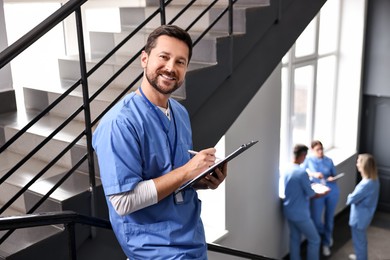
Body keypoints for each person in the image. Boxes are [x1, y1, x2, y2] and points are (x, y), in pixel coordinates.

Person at [92, 24, 228, 259]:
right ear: (144, 59)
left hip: (192, 240)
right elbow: (123, 202)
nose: (170, 68)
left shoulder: (180, 113)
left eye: (180, 62)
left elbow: (171, 177)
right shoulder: (119, 123)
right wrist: (187, 172)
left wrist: (202, 180)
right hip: (154, 250)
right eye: (164, 57)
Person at [282, 144, 329, 260]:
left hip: (288, 210)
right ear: (302, 155)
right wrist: (323, 192)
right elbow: (311, 194)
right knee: (315, 239)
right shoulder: (302, 172)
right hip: (300, 214)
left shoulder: (286, 168)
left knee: (294, 238)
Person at [302, 140, 339, 256]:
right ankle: (324, 234)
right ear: (312, 150)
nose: (321, 151)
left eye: (322, 149)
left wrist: (333, 178)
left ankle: (326, 243)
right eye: (318, 149)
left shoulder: (329, 160)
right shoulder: (308, 161)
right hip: (318, 192)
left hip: (331, 190)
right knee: (316, 220)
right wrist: (313, 174)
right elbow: (302, 173)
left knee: (329, 218)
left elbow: (334, 174)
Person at [346, 153, 380, 260]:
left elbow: (350, 199)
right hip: (365, 215)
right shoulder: (375, 180)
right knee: (361, 240)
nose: (356, 164)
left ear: (363, 165)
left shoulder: (365, 184)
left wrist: (349, 195)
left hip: (359, 218)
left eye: (358, 162)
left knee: (359, 241)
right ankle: (360, 256)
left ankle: (361, 258)